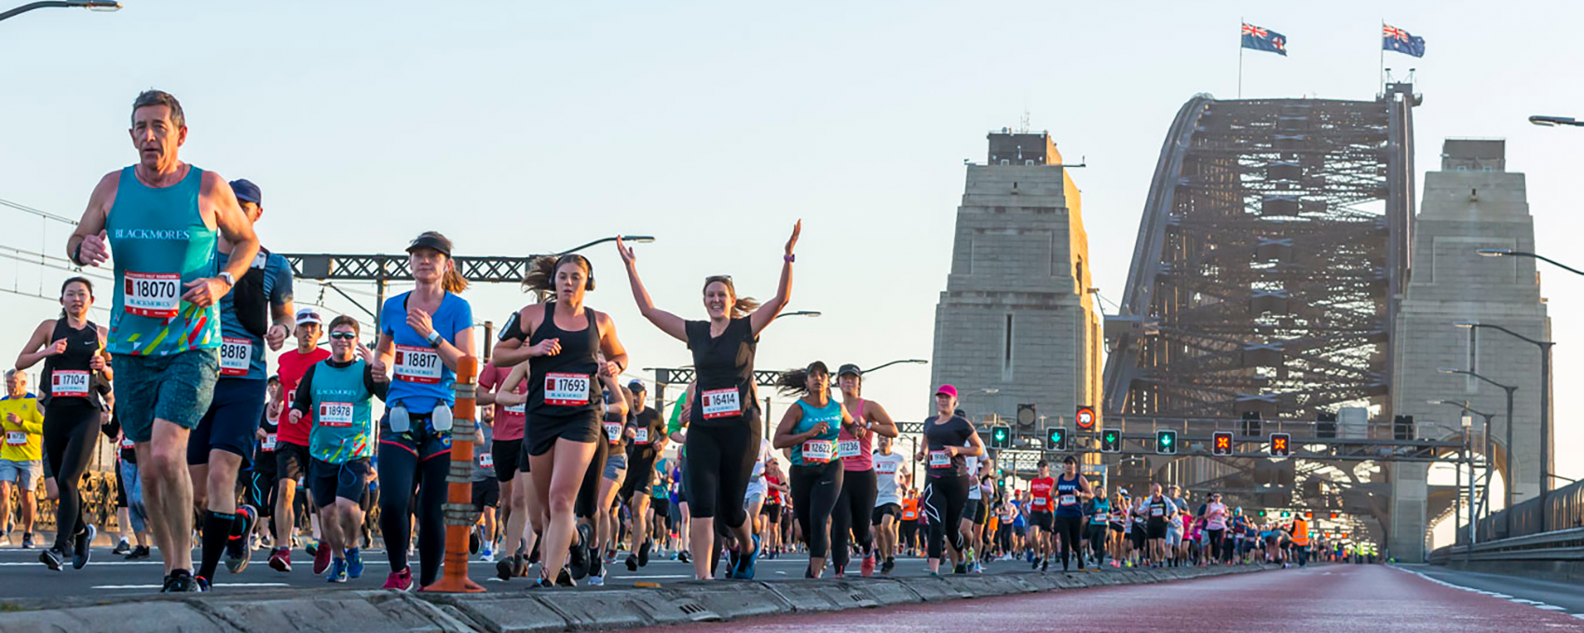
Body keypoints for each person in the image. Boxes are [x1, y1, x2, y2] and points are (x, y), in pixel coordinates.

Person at [69, 90, 260, 592]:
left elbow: (247, 241)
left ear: (180, 132)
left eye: (158, 126)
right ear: (131, 134)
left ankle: (182, 568)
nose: (148, 136)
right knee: (150, 468)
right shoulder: (112, 188)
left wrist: (222, 282)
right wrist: (83, 246)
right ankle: (173, 561)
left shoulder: (209, 187)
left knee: (164, 452)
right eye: (140, 127)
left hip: (193, 344)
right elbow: (77, 239)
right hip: (132, 349)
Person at [617, 222, 800, 581]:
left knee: (732, 510)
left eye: (722, 295)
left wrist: (788, 255)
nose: (716, 300)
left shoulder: (746, 328)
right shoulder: (696, 332)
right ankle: (704, 580)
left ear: (732, 300)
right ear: (704, 300)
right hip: (702, 427)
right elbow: (650, 312)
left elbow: (781, 301)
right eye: (710, 295)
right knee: (701, 507)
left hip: (741, 428)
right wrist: (631, 267)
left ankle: (747, 549)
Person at [490, 254, 629, 587]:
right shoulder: (532, 315)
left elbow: (620, 355)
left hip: (582, 417)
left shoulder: (601, 321)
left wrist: (615, 367)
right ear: (553, 281)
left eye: (576, 277)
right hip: (541, 416)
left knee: (561, 498)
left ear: (588, 282)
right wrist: (533, 351)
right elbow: (499, 354)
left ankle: (548, 577)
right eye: (563, 276)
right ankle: (577, 543)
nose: (569, 283)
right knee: (540, 518)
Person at [186, 178, 294, 588]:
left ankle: (204, 575)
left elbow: (284, 314)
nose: (237, 212)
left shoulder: (274, 265)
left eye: (245, 207)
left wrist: (282, 330)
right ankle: (239, 523)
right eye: (231, 204)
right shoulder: (198, 254)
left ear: (256, 214)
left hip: (243, 383)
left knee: (220, 475)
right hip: (197, 377)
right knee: (198, 495)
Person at [371, 231, 475, 591]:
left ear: (447, 265)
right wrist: (380, 366)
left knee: (432, 511)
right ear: (410, 262)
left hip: (441, 421)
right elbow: (384, 349)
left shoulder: (457, 308)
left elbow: (466, 364)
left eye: (433, 256)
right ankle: (399, 570)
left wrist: (433, 336)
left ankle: (430, 583)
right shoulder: (393, 306)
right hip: (399, 415)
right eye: (418, 255)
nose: (425, 261)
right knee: (393, 502)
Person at [16, 277, 114, 571]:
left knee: (69, 479)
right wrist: (48, 352)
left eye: (82, 294)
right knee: (62, 483)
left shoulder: (100, 334)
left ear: (91, 301)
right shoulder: (50, 327)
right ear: (62, 301)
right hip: (56, 414)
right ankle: (82, 532)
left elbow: (113, 374)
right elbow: (21, 361)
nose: (76, 299)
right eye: (70, 294)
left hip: (85, 414)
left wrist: (104, 368)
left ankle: (61, 548)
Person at [289, 315, 388, 582]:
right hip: (321, 453)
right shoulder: (316, 370)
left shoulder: (364, 371)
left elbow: (387, 395)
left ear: (356, 341)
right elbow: (301, 400)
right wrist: (296, 412)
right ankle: (339, 559)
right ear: (329, 339)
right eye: (337, 335)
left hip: (354, 453)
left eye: (348, 336)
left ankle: (353, 547)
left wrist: (374, 367)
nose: (342, 340)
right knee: (327, 515)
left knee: (346, 506)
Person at [771, 362, 858, 579]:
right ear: (806, 381)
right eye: (813, 375)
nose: (818, 379)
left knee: (820, 518)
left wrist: (859, 429)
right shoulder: (799, 408)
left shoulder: (838, 408)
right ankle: (820, 552)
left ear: (829, 381)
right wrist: (807, 434)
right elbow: (778, 440)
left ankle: (815, 573)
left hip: (831, 467)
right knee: (803, 530)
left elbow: (851, 425)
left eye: (822, 375)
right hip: (802, 469)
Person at [269, 308, 330, 573]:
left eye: (312, 327)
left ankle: (324, 542)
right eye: (303, 326)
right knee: (286, 489)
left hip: (319, 437)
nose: (307, 331)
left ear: (320, 333)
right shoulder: (285, 359)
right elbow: (284, 384)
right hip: (289, 434)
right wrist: (276, 401)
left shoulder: (327, 360)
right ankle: (283, 549)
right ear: (295, 331)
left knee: (318, 495)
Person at [830, 364, 898, 577]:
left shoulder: (868, 406)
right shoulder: (834, 408)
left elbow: (893, 429)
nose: (849, 382)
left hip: (863, 475)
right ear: (838, 382)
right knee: (839, 525)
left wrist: (869, 425)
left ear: (859, 382)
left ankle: (868, 550)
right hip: (839, 473)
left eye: (853, 378)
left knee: (861, 529)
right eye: (845, 378)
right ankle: (838, 572)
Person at [916, 385, 982, 575]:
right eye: (940, 398)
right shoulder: (929, 422)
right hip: (934, 480)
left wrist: (957, 450)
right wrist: (922, 453)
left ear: (954, 401)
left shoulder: (961, 424)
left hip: (956, 481)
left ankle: (961, 555)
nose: (943, 401)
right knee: (935, 524)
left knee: (952, 529)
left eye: (947, 398)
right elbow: (925, 443)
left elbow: (977, 448)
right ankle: (933, 571)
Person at [476, 357, 526, 566]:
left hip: (529, 437)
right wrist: (505, 397)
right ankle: (512, 539)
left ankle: (514, 552)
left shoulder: (538, 361)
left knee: (519, 499)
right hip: (503, 439)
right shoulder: (497, 363)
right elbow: (478, 397)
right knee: (506, 502)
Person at [619, 380, 667, 571]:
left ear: (644, 394)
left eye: (638, 393)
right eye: (632, 393)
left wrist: (661, 444)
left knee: (639, 511)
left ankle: (634, 554)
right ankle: (645, 540)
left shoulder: (653, 416)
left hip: (646, 468)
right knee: (629, 511)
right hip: (625, 468)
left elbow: (665, 434)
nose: (635, 396)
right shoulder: (622, 413)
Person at [0, 370, 45, 549]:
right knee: (3, 488)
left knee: (27, 495)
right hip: (8, 455)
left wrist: (21, 423)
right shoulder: (3, 403)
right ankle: (2, 530)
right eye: (8, 382)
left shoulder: (33, 402)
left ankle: (28, 532)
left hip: (30, 456)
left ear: (24, 383)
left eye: (14, 383)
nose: (10, 386)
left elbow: (44, 427)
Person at [870, 434, 906, 574]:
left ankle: (890, 555)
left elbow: (908, 474)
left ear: (891, 442)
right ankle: (885, 560)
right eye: (880, 439)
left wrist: (906, 485)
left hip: (893, 497)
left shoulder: (899, 458)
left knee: (887, 525)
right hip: (877, 498)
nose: (883, 441)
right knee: (878, 531)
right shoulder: (872, 459)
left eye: (886, 439)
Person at [1052, 455, 1094, 572]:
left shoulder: (1079, 479)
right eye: (1066, 464)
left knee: (1075, 542)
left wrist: (1080, 494)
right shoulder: (1059, 478)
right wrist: (1052, 496)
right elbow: (1051, 493)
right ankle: (1065, 567)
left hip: (1075, 514)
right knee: (1064, 540)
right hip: (1062, 514)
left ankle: (1080, 557)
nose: (1068, 466)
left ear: (1075, 466)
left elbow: (1091, 495)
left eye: (1071, 464)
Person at [1026, 460, 1054, 571]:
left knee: (1046, 538)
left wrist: (1049, 497)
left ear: (1047, 468)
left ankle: (1046, 559)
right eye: (1039, 467)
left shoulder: (1051, 481)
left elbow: (1054, 493)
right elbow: (1032, 493)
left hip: (1047, 511)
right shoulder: (1034, 481)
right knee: (1033, 535)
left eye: (1043, 466)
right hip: (1035, 510)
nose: (1041, 469)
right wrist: (1030, 497)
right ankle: (1037, 556)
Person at [1142, 483, 1176, 568]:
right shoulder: (1148, 501)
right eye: (1154, 491)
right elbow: (1140, 510)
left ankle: (1161, 560)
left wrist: (1169, 518)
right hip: (1151, 525)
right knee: (1152, 548)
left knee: (1161, 546)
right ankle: (1154, 562)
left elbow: (1174, 510)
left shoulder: (1166, 500)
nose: (1156, 493)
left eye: (1157, 491)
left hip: (1161, 525)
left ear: (1160, 491)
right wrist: (1144, 515)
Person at [1085, 485, 1109, 568]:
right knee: (1094, 543)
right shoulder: (1093, 501)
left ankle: (1100, 562)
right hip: (1094, 524)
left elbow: (1110, 511)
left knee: (1101, 543)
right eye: (1098, 491)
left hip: (1103, 524)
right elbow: (1087, 511)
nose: (1100, 493)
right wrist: (1095, 511)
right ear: (1095, 493)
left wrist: (1109, 515)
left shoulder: (1107, 501)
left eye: (1102, 491)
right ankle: (1095, 551)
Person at [1203, 492, 1228, 566]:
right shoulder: (1210, 505)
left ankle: (1216, 558)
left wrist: (1224, 514)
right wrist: (1213, 513)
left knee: (1219, 542)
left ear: (1220, 498)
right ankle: (1213, 557)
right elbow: (1205, 516)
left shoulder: (1223, 506)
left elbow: (1227, 515)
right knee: (1213, 542)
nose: (1216, 498)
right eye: (1215, 497)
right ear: (1213, 498)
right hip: (1211, 526)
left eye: (1218, 497)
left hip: (1220, 526)